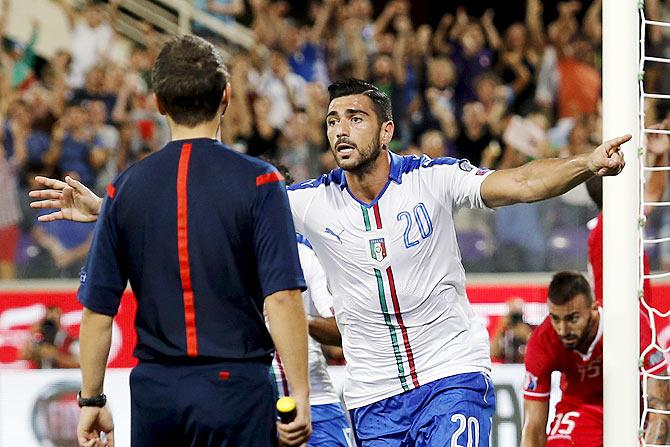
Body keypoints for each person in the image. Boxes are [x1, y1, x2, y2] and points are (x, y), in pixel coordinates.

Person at [31, 78, 628, 446]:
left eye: (355, 117)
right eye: (332, 120)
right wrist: (108, 209)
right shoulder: (308, 202)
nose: (340, 129)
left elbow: (522, 182)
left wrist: (587, 163)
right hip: (371, 400)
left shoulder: (433, 180)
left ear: (387, 129)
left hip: (452, 376)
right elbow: (205, 198)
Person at [36, 35, 312, 447]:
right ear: (227, 96)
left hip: (156, 395)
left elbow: (97, 313)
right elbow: (283, 298)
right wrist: (301, 396)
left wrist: (91, 398)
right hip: (238, 391)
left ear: (158, 102)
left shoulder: (124, 190)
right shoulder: (261, 181)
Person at [520, 271, 669, 446]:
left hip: (630, 409)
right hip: (579, 407)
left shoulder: (630, 325)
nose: (562, 330)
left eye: (572, 318)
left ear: (594, 308)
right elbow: (533, 427)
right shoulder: (542, 341)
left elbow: (660, 406)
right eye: (555, 318)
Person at [490, 297, 533, 363]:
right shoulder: (503, 331)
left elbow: (537, 350)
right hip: (507, 368)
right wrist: (500, 329)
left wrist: (526, 334)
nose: (515, 318)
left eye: (517, 314)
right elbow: (493, 353)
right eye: (513, 314)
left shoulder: (529, 329)